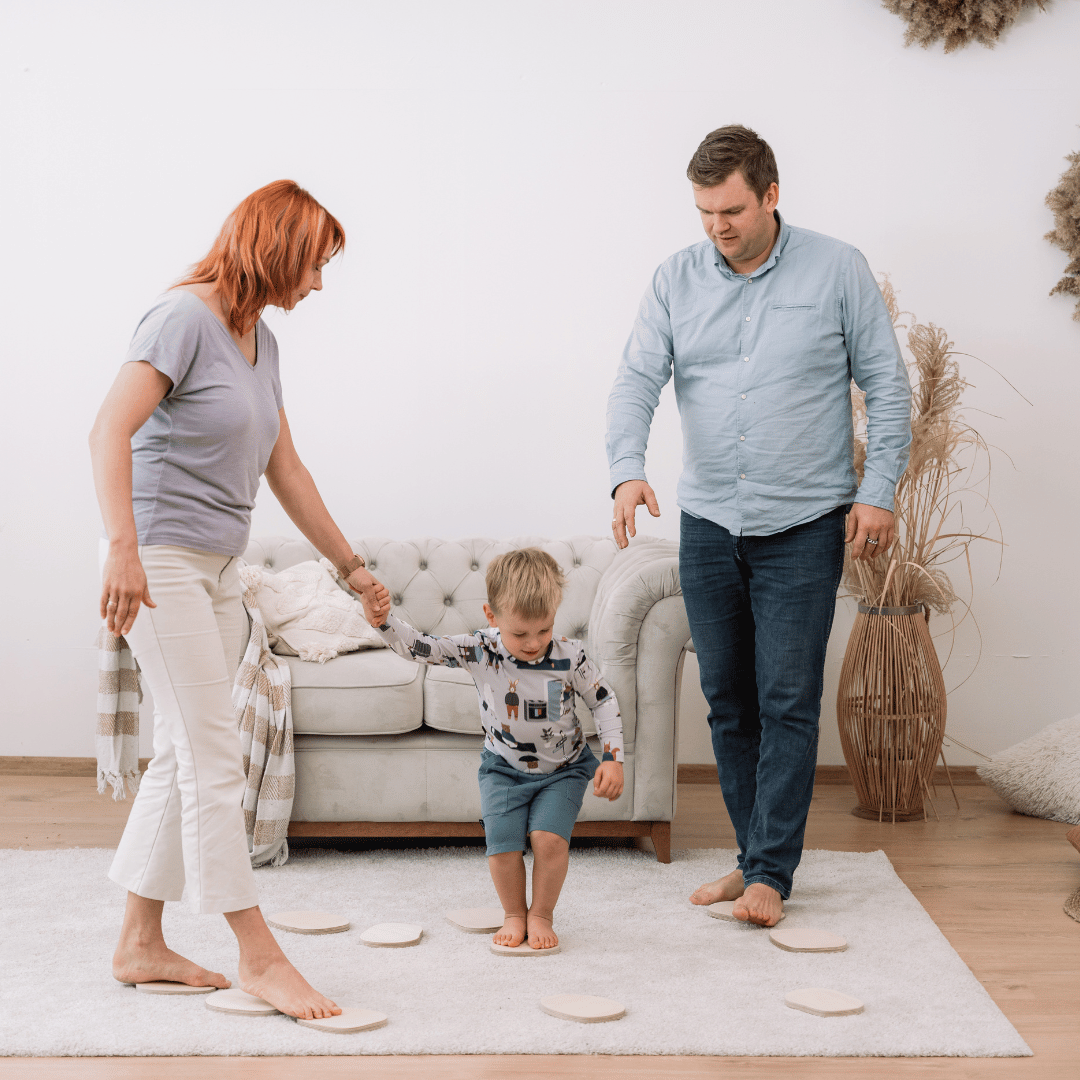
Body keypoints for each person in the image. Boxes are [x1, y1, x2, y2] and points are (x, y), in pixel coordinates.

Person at [89, 180, 390, 1018]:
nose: (319, 286)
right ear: (278, 249)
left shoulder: (260, 340)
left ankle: (139, 942)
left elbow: (284, 469)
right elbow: (108, 428)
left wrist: (350, 566)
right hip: (160, 562)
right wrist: (122, 549)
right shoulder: (181, 317)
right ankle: (257, 954)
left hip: (219, 566)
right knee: (216, 756)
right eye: (316, 265)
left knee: (189, 752)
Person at [605, 125, 911, 927]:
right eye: (705, 211)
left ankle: (772, 870)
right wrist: (626, 470)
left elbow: (887, 383)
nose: (718, 227)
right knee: (728, 700)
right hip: (709, 520)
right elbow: (637, 378)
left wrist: (877, 489)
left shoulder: (837, 269)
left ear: (771, 195)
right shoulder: (675, 279)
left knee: (787, 698)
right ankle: (752, 861)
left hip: (806, 522)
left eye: (732, 209)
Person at [368, 548, 624, 949]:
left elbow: (604, 700)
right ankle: (513, 913)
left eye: (544, 630)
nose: (534, 643)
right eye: (520, 633)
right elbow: (423, 647)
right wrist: (384, 623)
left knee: (548, 839)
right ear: (491, 617)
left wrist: (612, 757)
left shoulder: (571, 654)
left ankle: (540, 914)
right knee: (502, 844)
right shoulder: (480, 649)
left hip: (565, 769)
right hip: (502, 769)